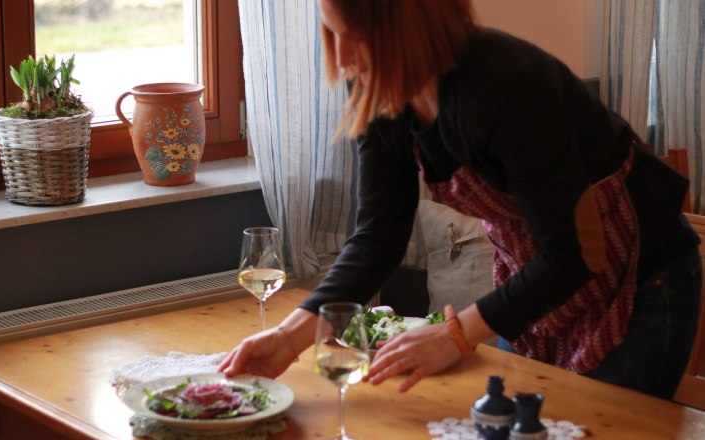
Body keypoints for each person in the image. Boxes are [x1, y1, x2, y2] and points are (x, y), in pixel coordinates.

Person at [220, 0, 702, 399]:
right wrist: (288, 339)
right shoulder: (379, 86)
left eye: (359, 36)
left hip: (641, 282)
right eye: (332, 32)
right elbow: (376, 240)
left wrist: (454, 335)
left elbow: (573, 254)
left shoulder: (505, 84)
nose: (343, 56)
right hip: (541, 286)